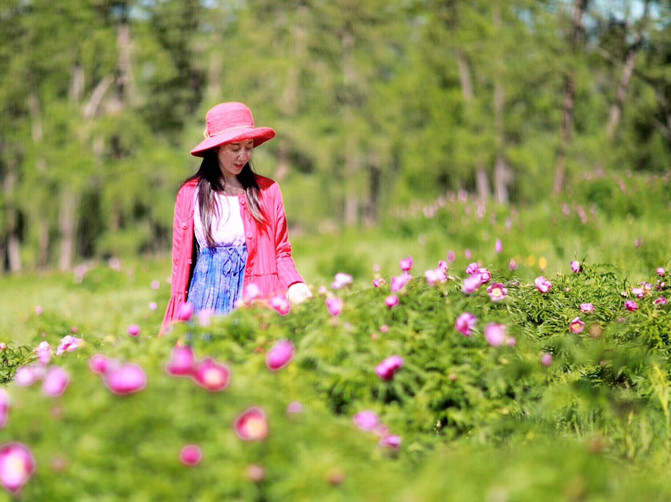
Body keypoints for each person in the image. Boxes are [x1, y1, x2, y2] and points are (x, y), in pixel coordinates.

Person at [161, 102, 312, 334]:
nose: (243, 155)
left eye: (249, 147)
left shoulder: (268, 192)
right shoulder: (190, 194)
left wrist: (294, 283)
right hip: (206, 299)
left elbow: (281, 251)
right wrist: (175, 317)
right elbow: (180, 263)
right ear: (216, 149)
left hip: (256, 297)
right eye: (234, 148)